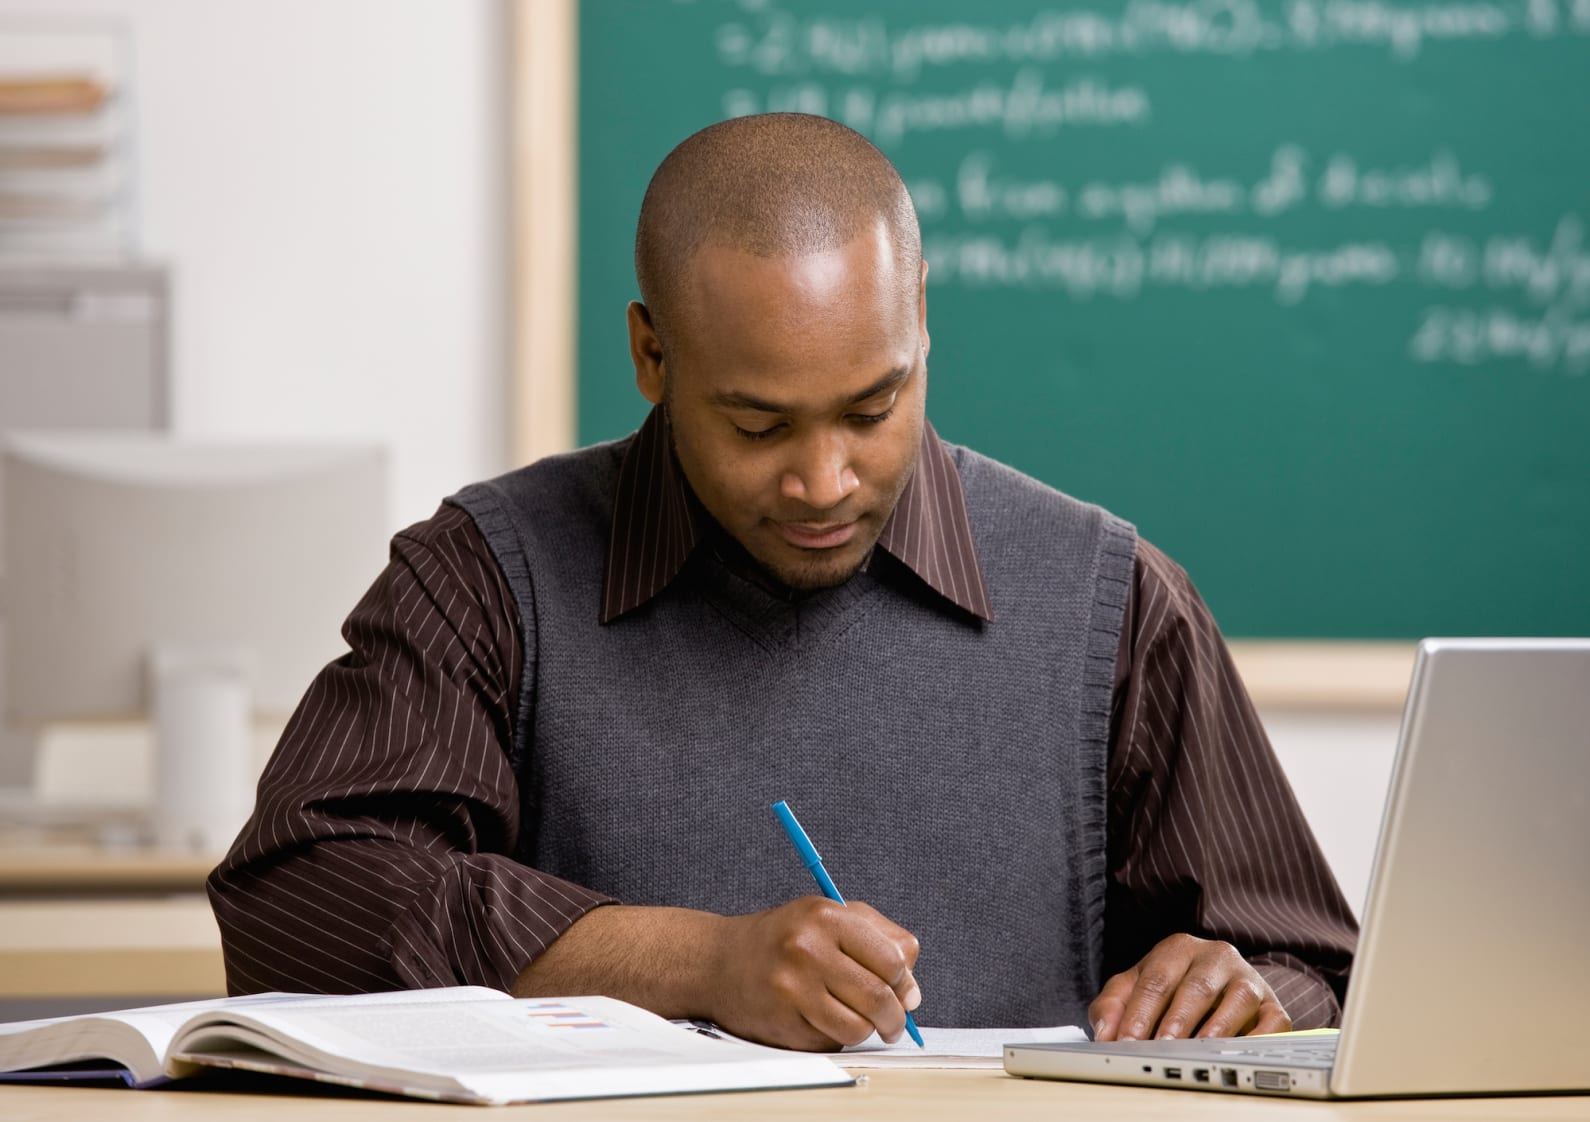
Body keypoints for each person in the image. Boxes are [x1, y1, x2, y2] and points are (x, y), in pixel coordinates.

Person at [209, 113, 1356, 1052]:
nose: (825, 481)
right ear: (651, 354)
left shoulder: (1116, 603)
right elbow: (297, 902)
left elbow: (1319, 967)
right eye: (758, 424)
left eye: (873, 408)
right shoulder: (485, 577)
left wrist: (1245, 992)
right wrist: (698, 963)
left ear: (922, 326)